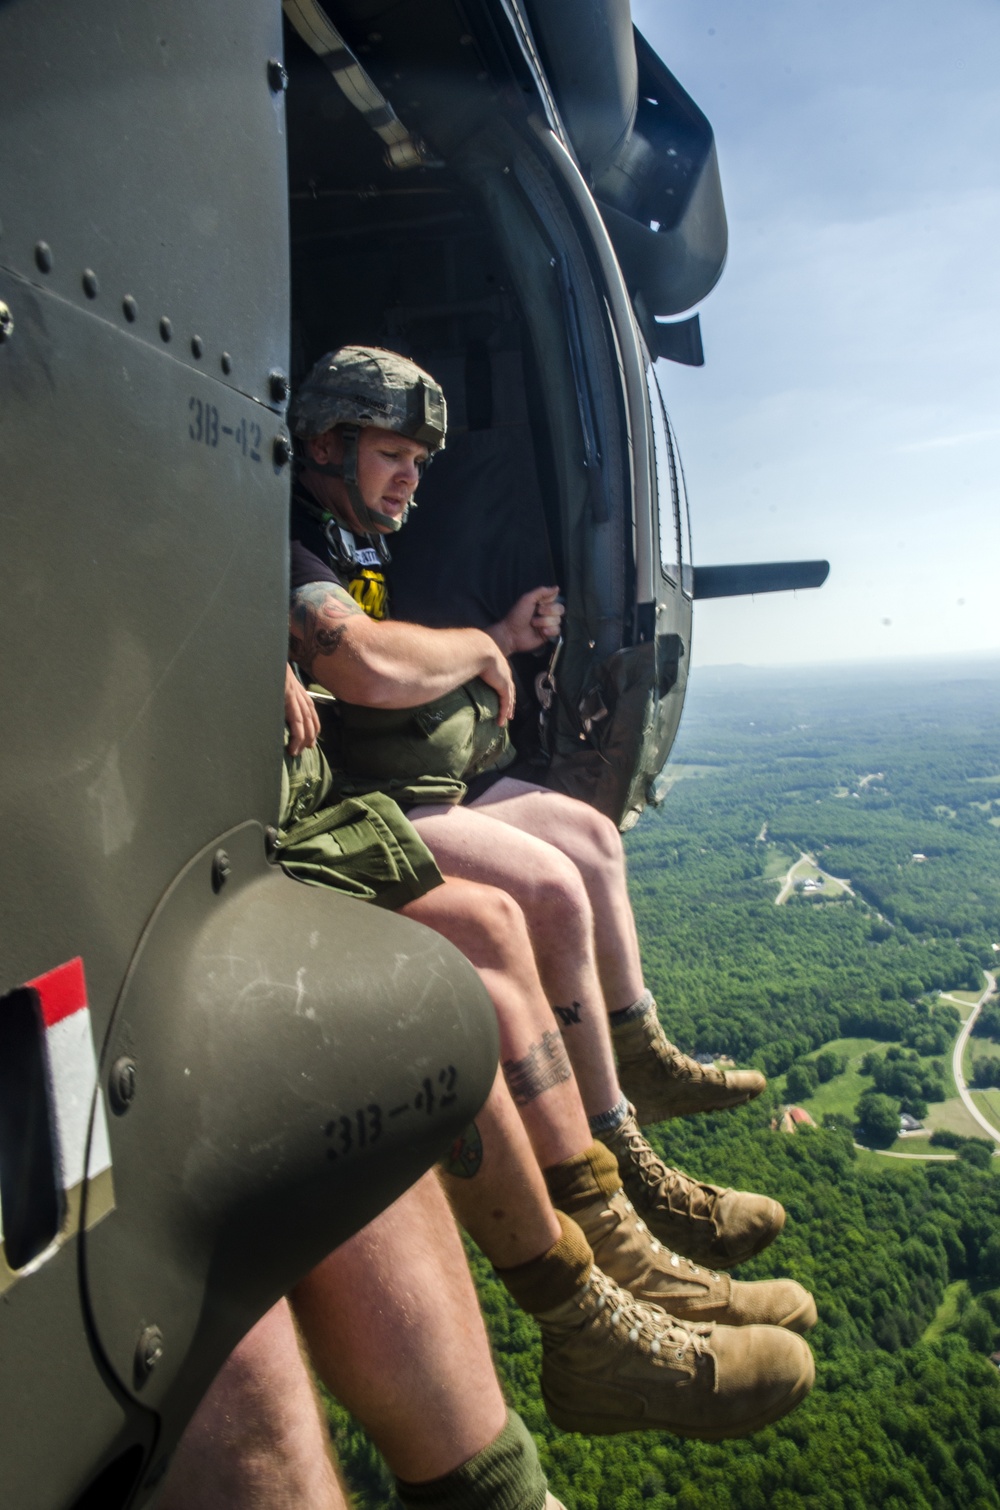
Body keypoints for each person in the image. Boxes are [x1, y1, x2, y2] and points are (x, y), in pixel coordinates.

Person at [285, 347, 777, 1267]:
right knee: (547, 891)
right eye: (393, 454)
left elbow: (399, 646)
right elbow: (362, 661)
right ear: (326, 443)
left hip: (400, 773)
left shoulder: (360, 532)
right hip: (356, 797)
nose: (409, 478)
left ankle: (635, 1061)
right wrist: (479, 643)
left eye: (420, 462)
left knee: (588, 840)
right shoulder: (288, 525)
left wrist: (503, 639)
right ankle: (616, 1157)